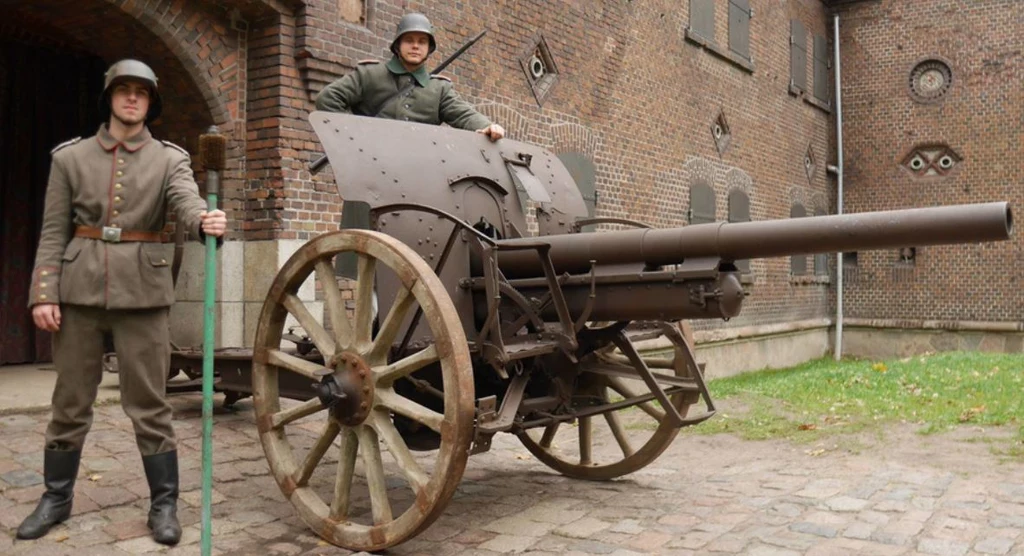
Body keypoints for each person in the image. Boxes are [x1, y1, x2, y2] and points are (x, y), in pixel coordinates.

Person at [16, 59, 227, 546]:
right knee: (70, 403)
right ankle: (56, 497)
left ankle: (164, 504)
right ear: (109, 97)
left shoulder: (169, 159)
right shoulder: (70, 158)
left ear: (151, 103)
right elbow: (52, 233)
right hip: (79, 289)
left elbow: (186, 201)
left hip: (143, 294)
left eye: (142, 93)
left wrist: (203, 221)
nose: (132, 98)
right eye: (124, 90)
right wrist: (43, 293)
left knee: (149, 404)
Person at [315, 12, 505, 140]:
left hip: (417, 175)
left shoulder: (439, 89)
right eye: (409, 40)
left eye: (422, 42)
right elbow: (328, 99)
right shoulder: (370, 74)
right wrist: (352, 137)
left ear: (429, 49)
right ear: (398, 45)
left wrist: (487, 126)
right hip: (369, 169)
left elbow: (464, 115)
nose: (415, 46)